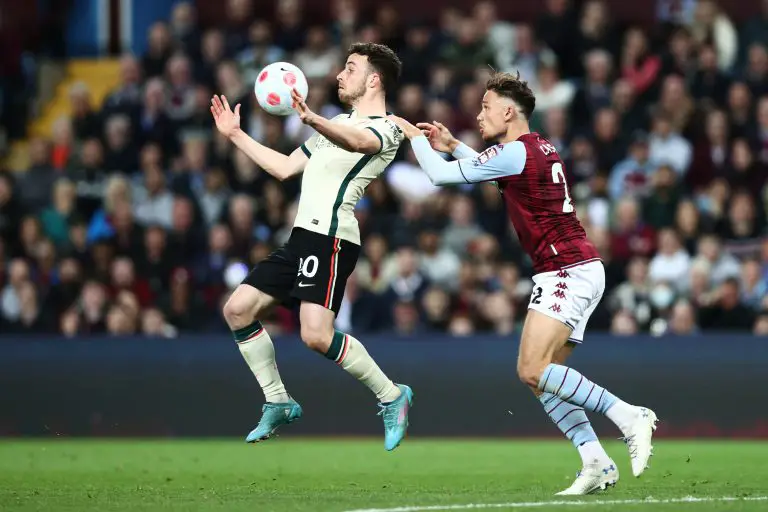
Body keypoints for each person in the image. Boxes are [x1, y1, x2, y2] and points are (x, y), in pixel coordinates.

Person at [389, 72, 657, 494]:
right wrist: (453, 145)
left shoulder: (516, 152)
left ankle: (628, 416)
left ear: (508, 111)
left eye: (485, 107)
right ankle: (596, 461)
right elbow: (495, 169)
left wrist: (413, 138)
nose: (478, 115)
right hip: (575, 268)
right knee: (538, 376)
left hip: (566, 270)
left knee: (533, 369)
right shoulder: (536, 148)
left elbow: (440, 178)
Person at [210, 43, 412, 450]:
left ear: (374, 79)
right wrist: (235, 135)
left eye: (350, 68)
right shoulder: (335, 123)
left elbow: (359, 143)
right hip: (302, 237)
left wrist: (310, 118)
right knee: (237, 310)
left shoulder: (388, 128)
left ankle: (392, 395)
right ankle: (278, 400)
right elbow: (285, 168)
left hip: (333, 240)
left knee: (316, 336)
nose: (340, 75)